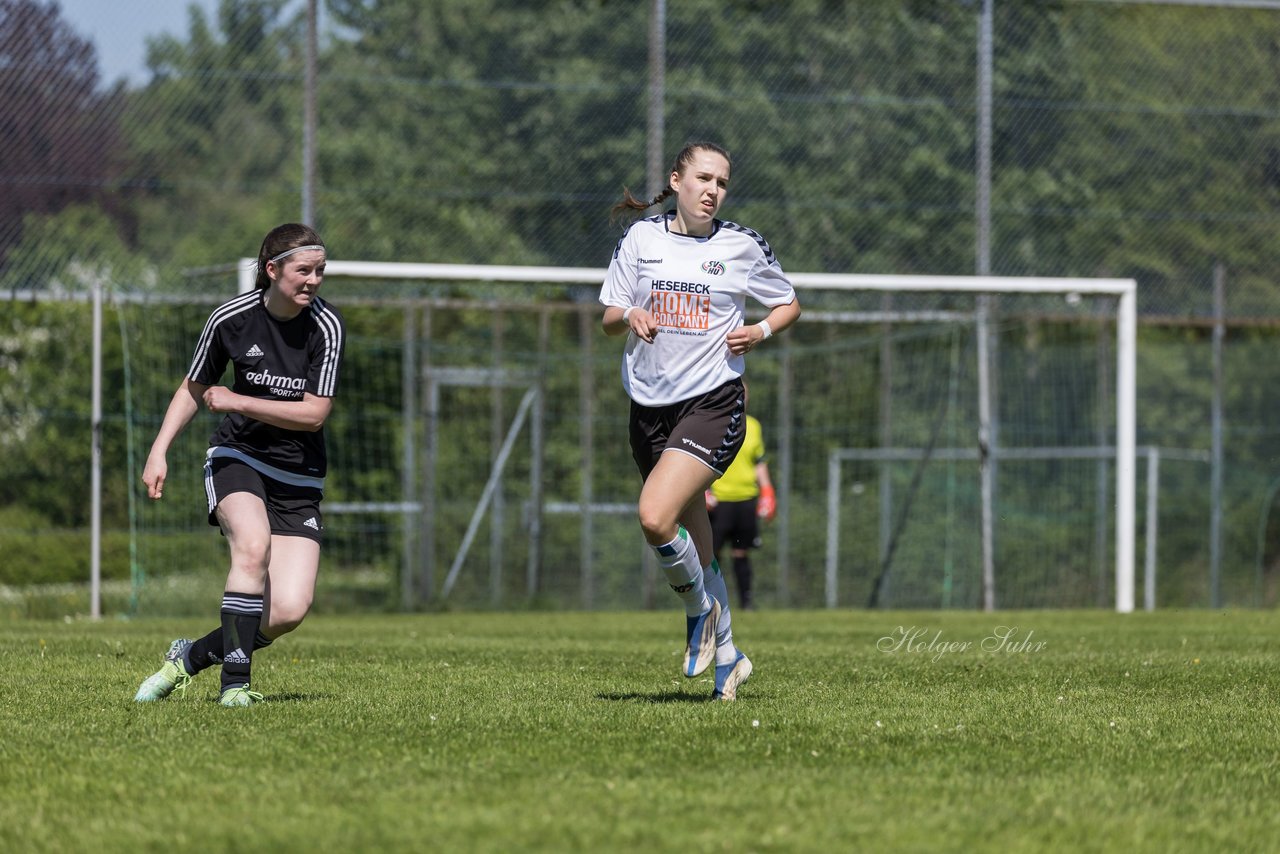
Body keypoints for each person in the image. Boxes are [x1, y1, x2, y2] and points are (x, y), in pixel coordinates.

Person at [600, 141, 800, 701]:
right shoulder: (642, 237)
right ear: (678, 180)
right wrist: (632, 314)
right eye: (704, 178)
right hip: (648, 407)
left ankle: (700, 616)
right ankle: (729, 661)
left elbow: (789, 303)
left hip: (713, 402)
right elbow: (610, 317)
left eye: (722, 183)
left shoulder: (740, 245)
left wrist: (760, 331)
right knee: (696, 542)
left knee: (655, 517)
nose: (713, 190)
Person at [134, 223, 345, 708]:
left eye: (320, 271)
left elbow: (314, 414)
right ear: (272, 271)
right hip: (238, 457)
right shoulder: (229, 319)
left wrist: (238, 400)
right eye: (304, 270)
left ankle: (188, 659)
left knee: (289, 609)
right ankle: (235, 688)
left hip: (298, 475)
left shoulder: (327, 327)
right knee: (252, 547)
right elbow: (193, 388)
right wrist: (159, 449)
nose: (314, 280)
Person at [705, 382, 775, 610]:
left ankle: (746, 603)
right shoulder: (711, 422)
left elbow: (759, 462)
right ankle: (710, 602)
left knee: (741, 552)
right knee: (711, 554)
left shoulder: (753, 426)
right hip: (719, 499)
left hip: (745, 498)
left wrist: (767, 491)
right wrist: (703, 490)